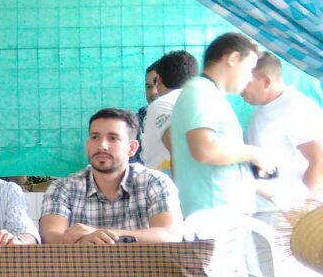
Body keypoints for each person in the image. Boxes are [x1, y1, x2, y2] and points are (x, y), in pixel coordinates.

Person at [39, 108, 181, 244]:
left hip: (142, 268)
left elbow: (169, 235)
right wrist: (83, 240)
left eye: (113, 138)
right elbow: (50, 236)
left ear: (131, 148)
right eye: (95, 137)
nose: (102, 146)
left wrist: (100, 234)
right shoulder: (63, 187)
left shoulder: (155, 182)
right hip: (85, 269)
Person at [170, 32, 273, 217]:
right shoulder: (199, 91)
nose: (250, 78)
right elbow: (205, 151)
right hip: (212, 215)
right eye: (249, 68)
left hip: (225, 213)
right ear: (233, 58)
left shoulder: (211, 94)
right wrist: (253, 153)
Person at [242, 53, 323, 214]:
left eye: (245, 82)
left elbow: (319, 160)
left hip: (285, 213)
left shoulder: (296, 108)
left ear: (266, 81)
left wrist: (300, 208)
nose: (240, 88)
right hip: (263, 206)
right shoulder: (263, 106)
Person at [140, 49, 198, 172]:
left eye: (153, 84)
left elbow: (178, 152)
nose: (153, 92)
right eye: (148, 87)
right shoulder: (205, 100)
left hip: (173, 186)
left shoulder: (162, 105)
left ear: (159, 80)